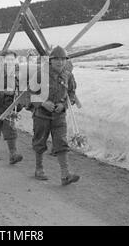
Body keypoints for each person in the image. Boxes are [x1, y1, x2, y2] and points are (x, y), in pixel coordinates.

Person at [29, 46, 80, 185]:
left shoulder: (68, 75)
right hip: (42, 115)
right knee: (40, 142)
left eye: (63, 59)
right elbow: (31, 94)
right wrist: (43, 103)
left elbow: (72, 93)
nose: (60, 62)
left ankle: (65, 174)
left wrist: (64, 105)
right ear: (51, 60)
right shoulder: (40, 74)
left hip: (59, 116)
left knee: (61, 143)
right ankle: (39, 169)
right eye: (57, 59)